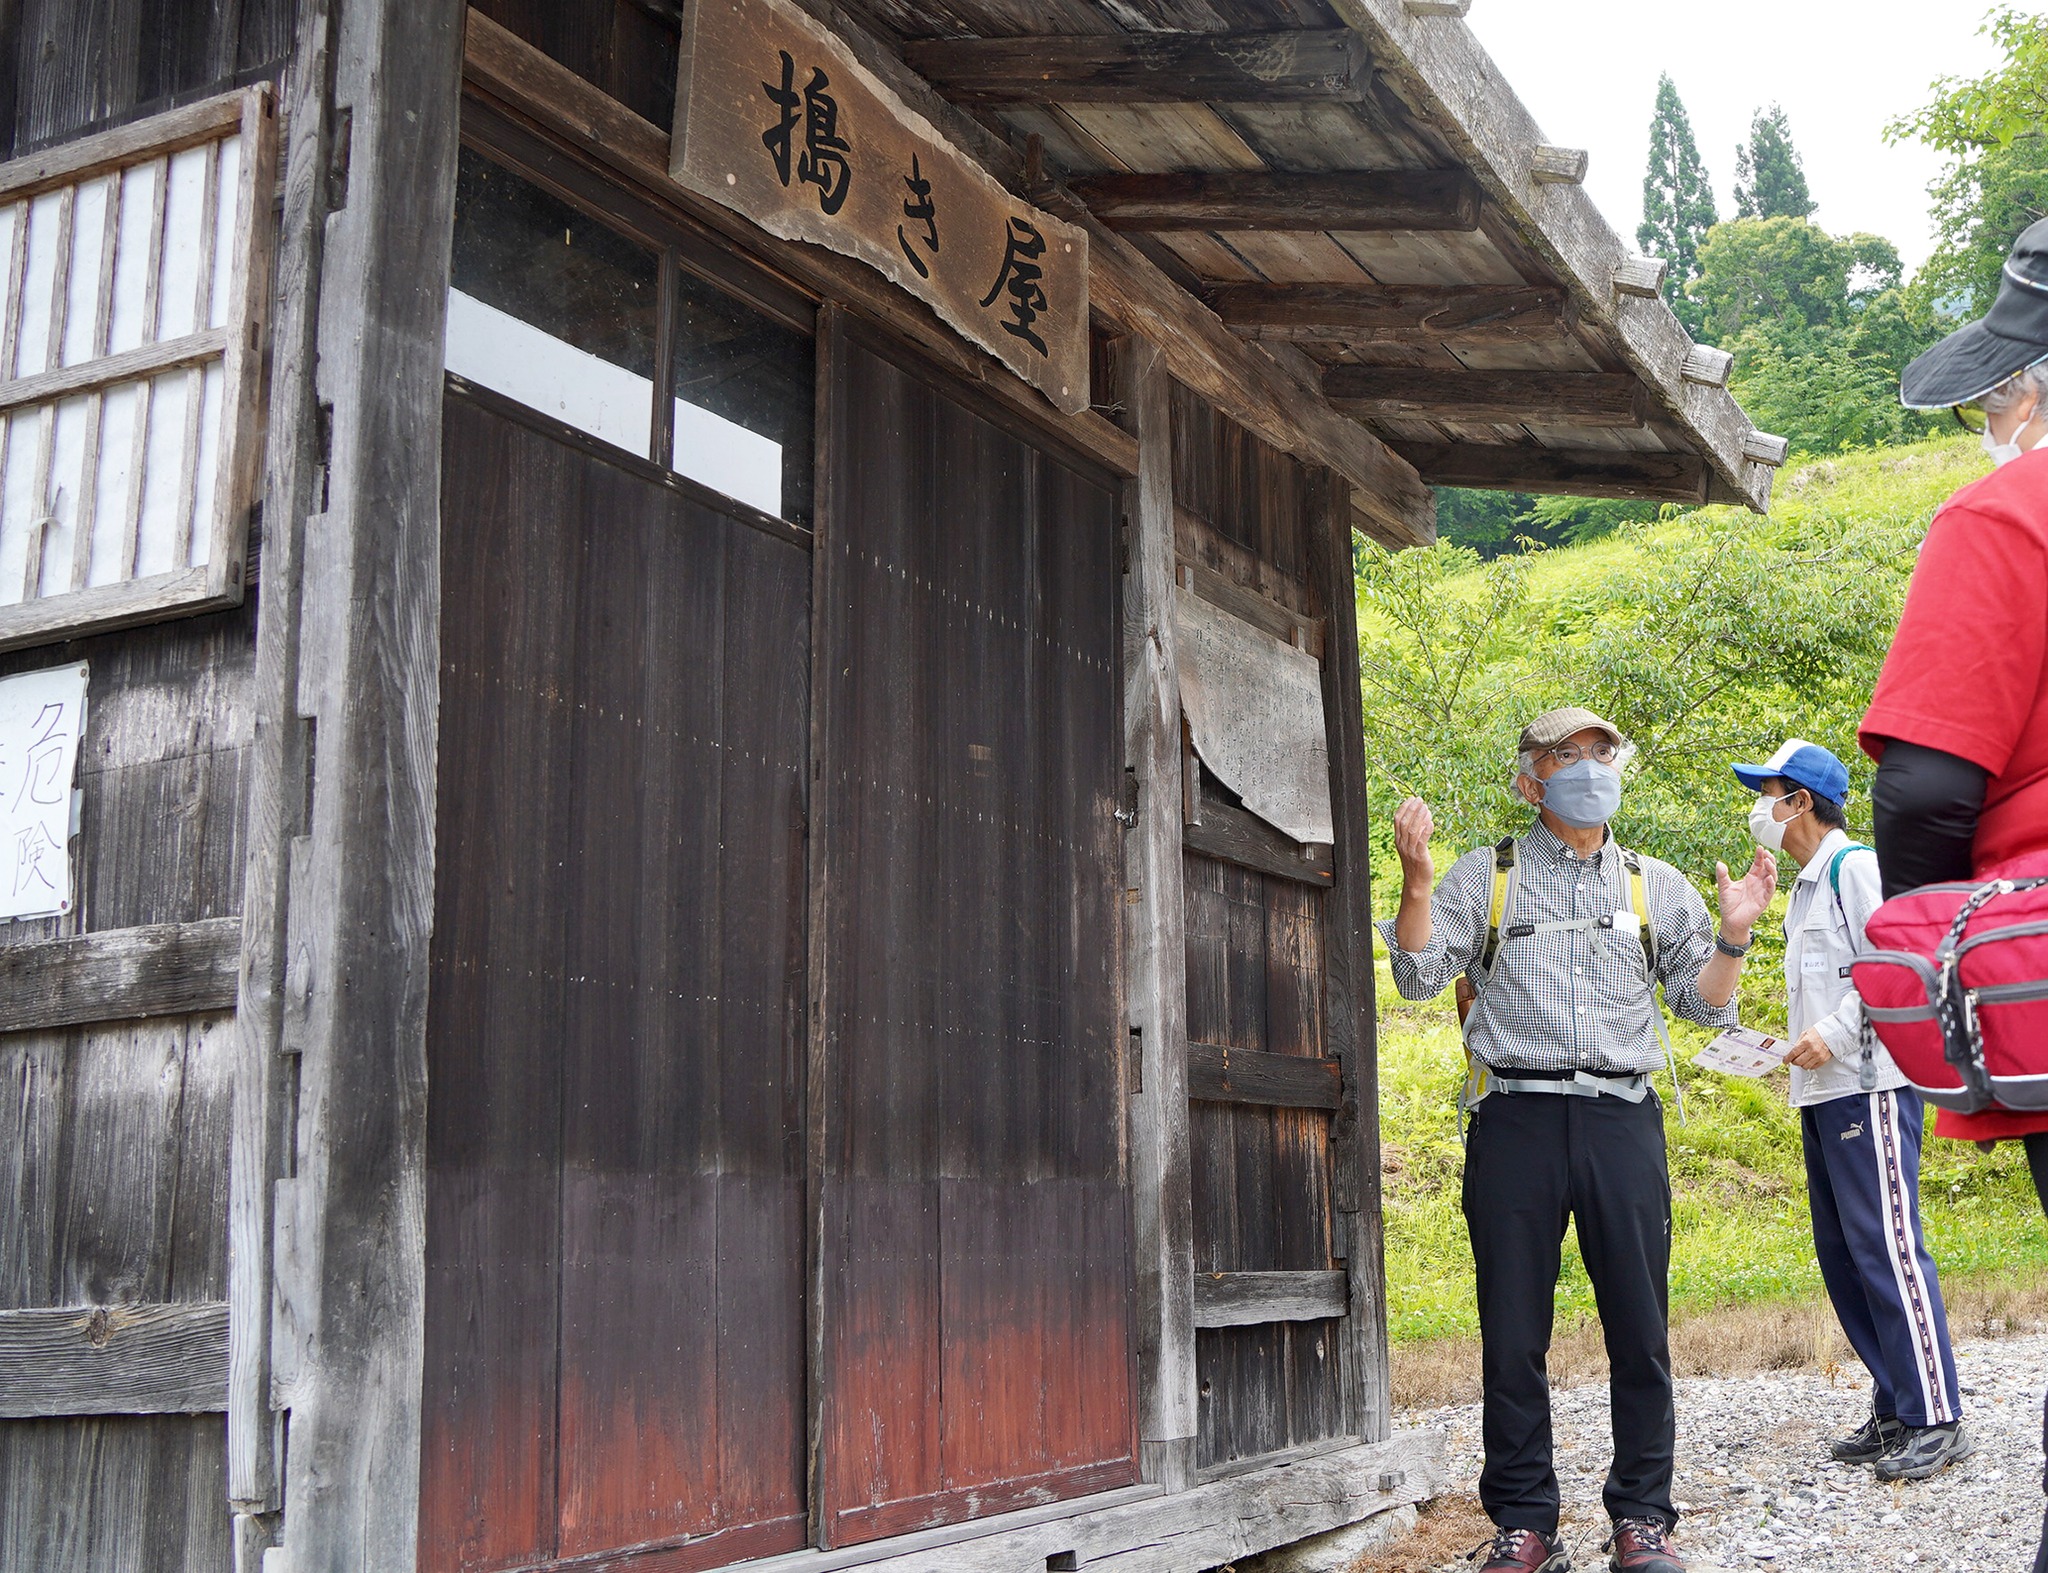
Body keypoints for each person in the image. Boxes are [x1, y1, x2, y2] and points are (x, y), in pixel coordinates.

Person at [1381, 707, 1775, 1573]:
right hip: (1513, 1117)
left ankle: (1642, 1519)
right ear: (1530, 780)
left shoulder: (1655, 883)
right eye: (1570, 755)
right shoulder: (1485, 874)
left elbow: (1703, 1005)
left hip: (1620, 1118)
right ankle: (1525, 1521)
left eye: (1603, 752)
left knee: (1640, 1327)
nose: (1592, 766)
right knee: (1512, 1330)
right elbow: (1416, 975)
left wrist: (1735, 931)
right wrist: (1415, 879)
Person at [1866, 213, 2048, 1568]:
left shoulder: (2005, 516)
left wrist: (1939, 985)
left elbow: (1927, 791)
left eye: (2000, 387)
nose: (1993, 412)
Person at [1732, 738, 1968, 1480]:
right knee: (1844, 1255)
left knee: (1888, 1248)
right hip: (1824, 1093)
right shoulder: (1804, 885)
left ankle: (1938, 1413)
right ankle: (1897, 1402)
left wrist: (1832, 1033)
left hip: (1871, 1085)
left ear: (1800, 800)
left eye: (1767, 791)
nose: (1758, 807)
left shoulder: (1853, 867)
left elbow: (1900, 964)